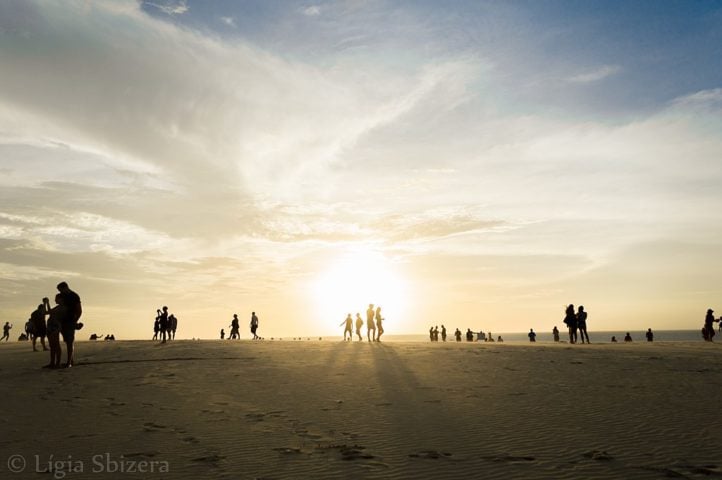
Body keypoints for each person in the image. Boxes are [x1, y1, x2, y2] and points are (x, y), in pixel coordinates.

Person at [56, 281, 82, 367]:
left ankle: (69, 362)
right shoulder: (62, 296)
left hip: (70, 320)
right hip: (62, 321)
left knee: (70, 341)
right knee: (67, 341)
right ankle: (71, 360)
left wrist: (75, 321)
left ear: (65, 288)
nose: (60, 292)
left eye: (60, 290)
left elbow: (79, 310)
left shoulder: (74, 296)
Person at [43, 295, 64, 368]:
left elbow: (50, 312)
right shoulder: (58, 307)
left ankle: (57, 363)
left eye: (56, 299)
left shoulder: (62, 307)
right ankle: (52, 362)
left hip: (55, 327)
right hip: (51, 326)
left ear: (61, 299)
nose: (55, 300)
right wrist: (45, 303)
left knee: (56, 345)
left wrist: (47, 303)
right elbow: (46, 312)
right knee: (52, 346)